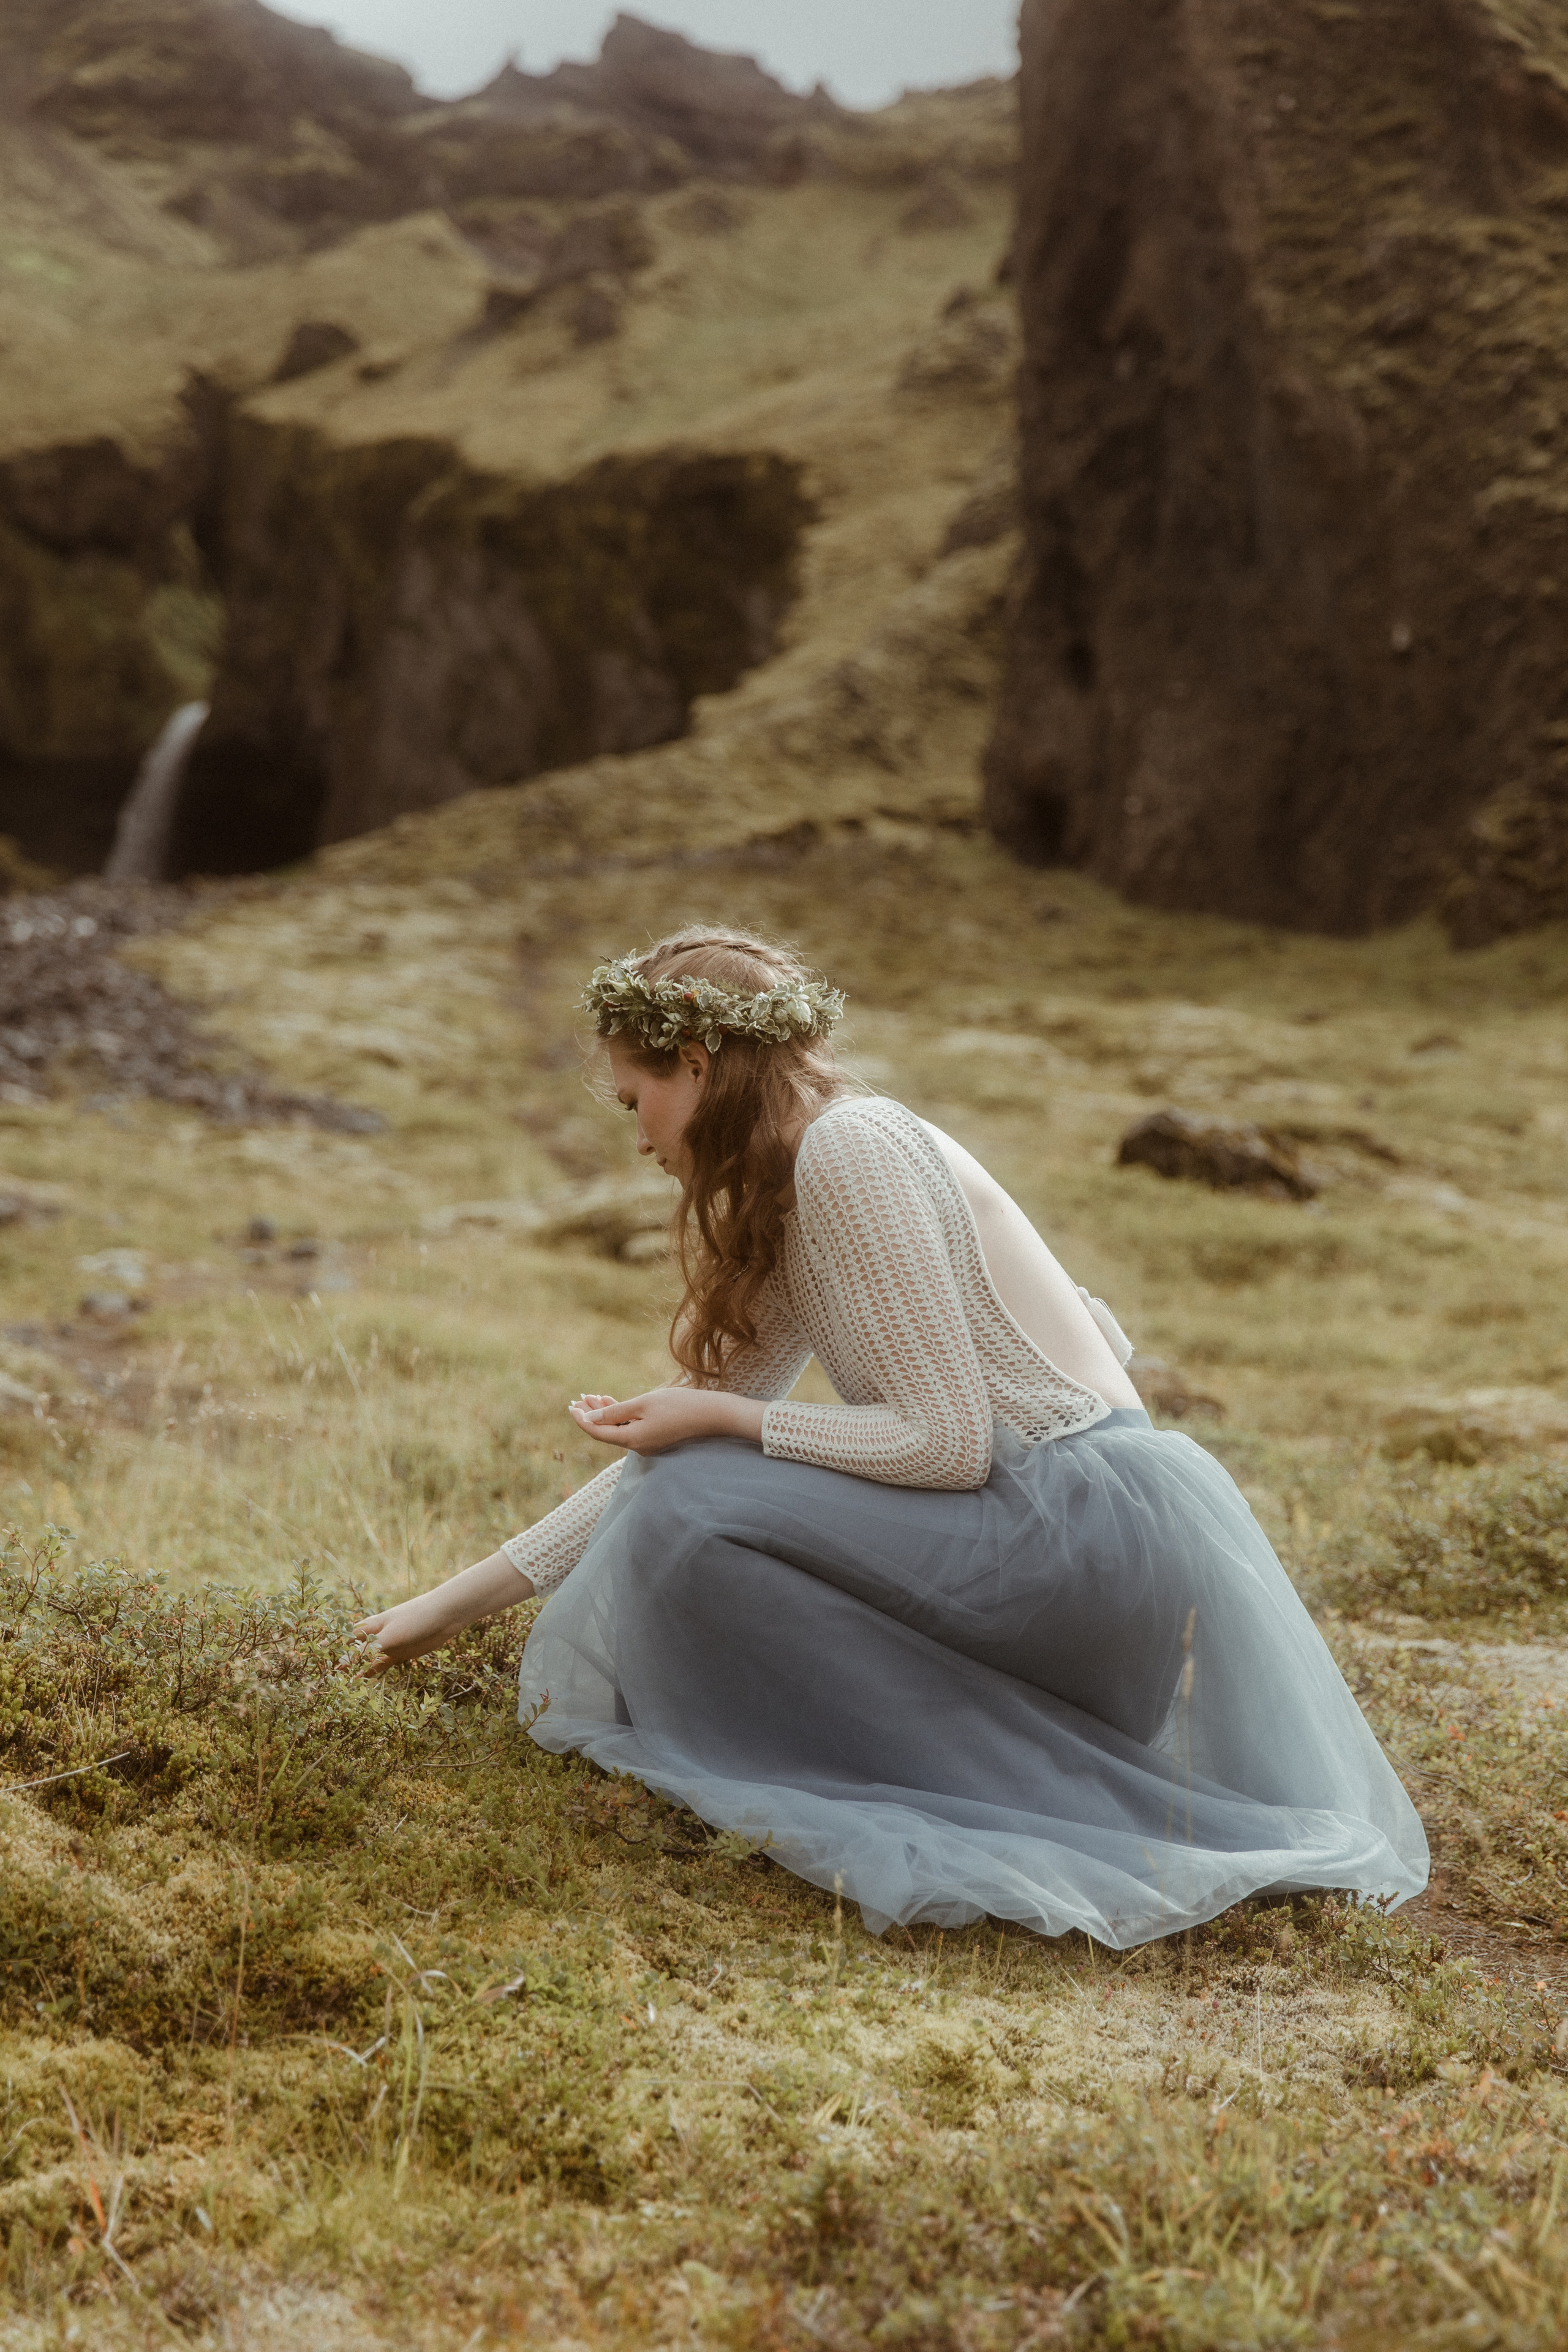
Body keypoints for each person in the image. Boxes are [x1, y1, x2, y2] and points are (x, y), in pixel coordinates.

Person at [355, 926, 1428, 1947]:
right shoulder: (795, 1181)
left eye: (638, 1101)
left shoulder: (852, 1148)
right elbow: (660, 1466)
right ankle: (903, 1761)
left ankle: (886, 1773)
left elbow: (947, 1446)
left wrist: (723, 1416)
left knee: (699, 1492)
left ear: (696, 1064)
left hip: (1083, 1541)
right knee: (687, 1488)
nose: (638, 1137)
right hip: (1051, 1544)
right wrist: (445, 1609)